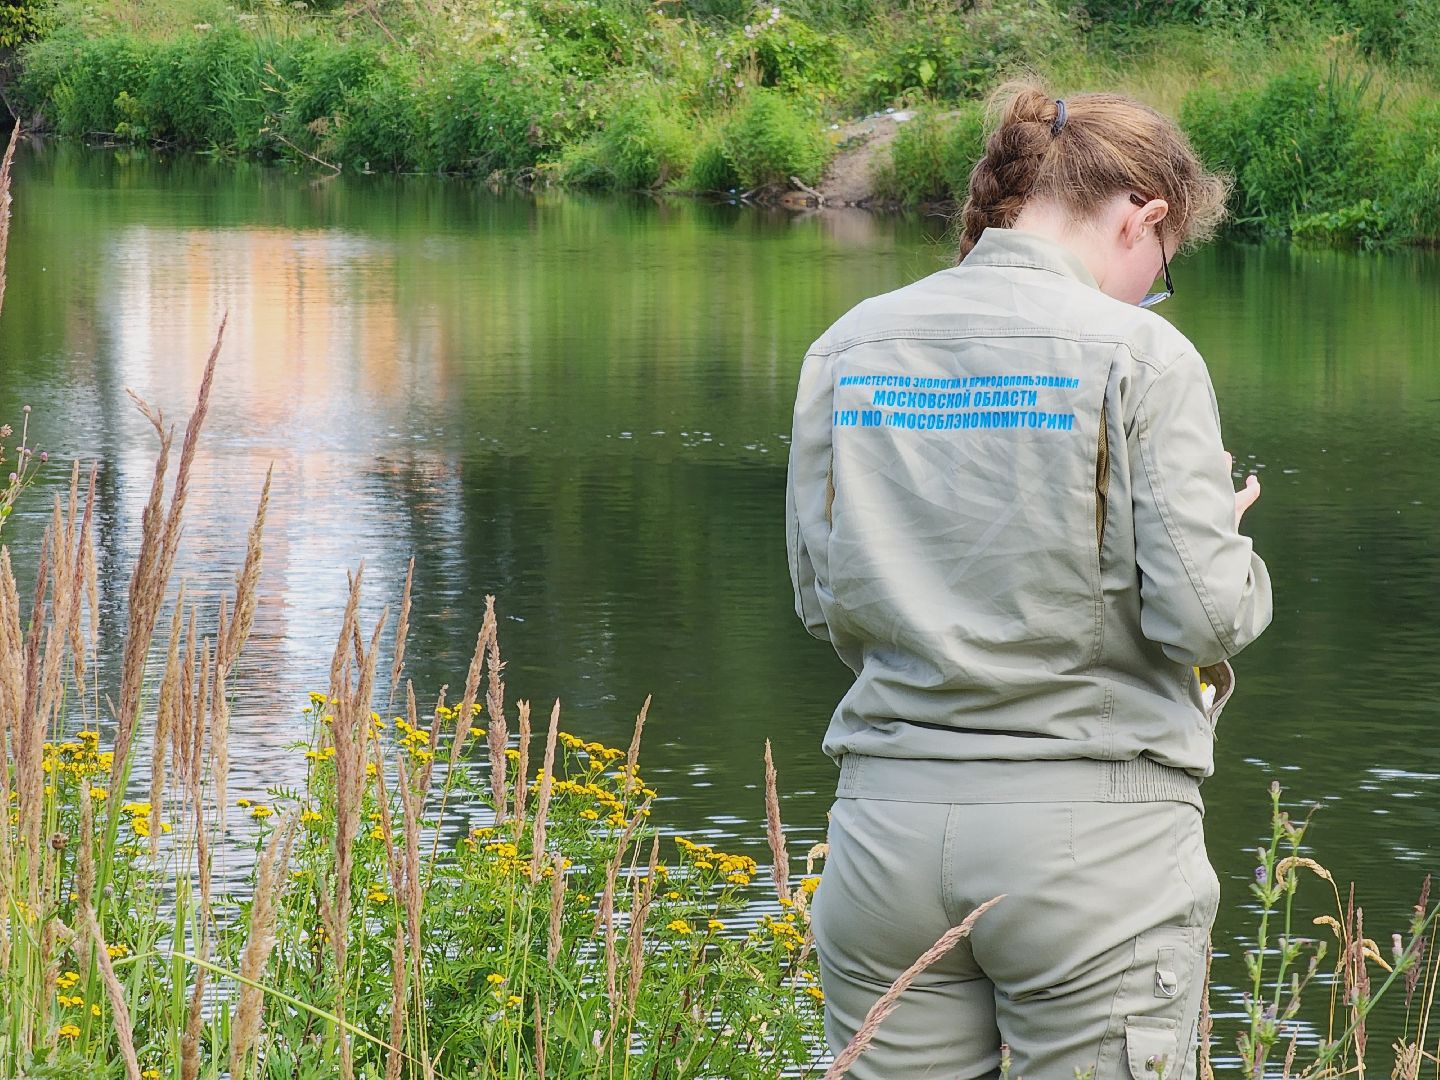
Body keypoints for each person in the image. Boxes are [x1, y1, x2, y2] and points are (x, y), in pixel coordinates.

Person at [785, 82, 1273, 1080]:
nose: (1152, 289)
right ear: (1142, 214)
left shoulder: (851, 345)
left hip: (884, 837)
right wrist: (1218, 540)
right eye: (1163, 265)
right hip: (1091, 852)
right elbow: (1205, 613)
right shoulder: (1142, 353)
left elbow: (819, 595)